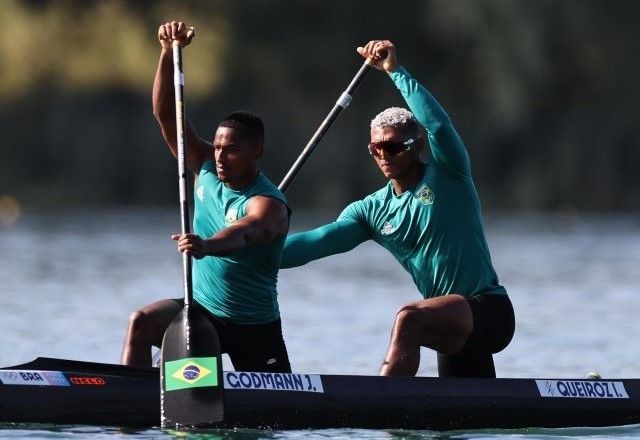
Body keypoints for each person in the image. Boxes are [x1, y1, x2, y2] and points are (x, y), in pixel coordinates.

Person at [281, 40, 515, 378]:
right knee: (465, 422)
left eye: (392, 147)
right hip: (446, 323)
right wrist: (249, 252)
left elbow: (438, 126)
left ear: (417, 146)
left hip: (488, 311)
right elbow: (313, 244)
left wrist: (395, 72)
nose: (383, 156)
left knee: (409, 317)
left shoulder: (450, 175)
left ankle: (379, 408)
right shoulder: (371, 210)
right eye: (376, 148)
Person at [121, 21, 291, 373]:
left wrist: (206, 246)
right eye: (217, 147)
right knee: (142, 320)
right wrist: (168, 53)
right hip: (201, 315)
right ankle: (130, 396)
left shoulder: (268, 204)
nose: (220, 156)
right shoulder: (206, 166)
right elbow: (166, 115)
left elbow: (244, 233)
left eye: (232, 150)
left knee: (272, 423)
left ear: (257, 151)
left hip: (254, 328)